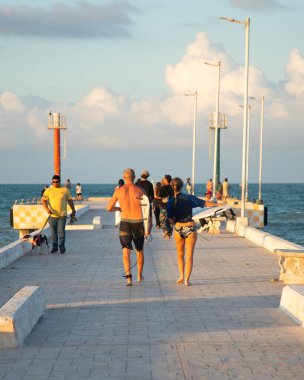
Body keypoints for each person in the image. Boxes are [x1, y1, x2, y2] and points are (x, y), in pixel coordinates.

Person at [167, 177, 217, 286]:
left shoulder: (171, 202)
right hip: (190, 227)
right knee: (189, 255)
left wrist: (173, 220)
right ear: (182, 186)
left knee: (180, 254)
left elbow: (170, 219)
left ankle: (181, 275)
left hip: (178, 228)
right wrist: (217, 205)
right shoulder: (189, 198)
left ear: (172, 187)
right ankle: (186, 280)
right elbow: (205, 203)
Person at [107, 168, 148, 286]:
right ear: (134, 177)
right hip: (138, 222)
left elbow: (109, 208)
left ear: (124, 178)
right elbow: (146, 210)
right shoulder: (140, 190)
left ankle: (129, 278)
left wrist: (119, 209)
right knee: (139, 251)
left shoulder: (119, 191)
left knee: (126, 251)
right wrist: (148, 227)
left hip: (125, 222)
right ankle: (139, 276)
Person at [42, 175, 76, 254]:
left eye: (57, 182)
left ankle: (62, 247)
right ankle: (54, 247)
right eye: (54, 182)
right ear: (52, 182)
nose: (55, 183)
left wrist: (73, 210)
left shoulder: (65, 190)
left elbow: (70, 201)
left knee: (61, 231)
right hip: (52, 216)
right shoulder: (48, 190)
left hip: (62, 215)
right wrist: (47, 209)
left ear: (60, 182)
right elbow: (43, 200)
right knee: (53, 232)